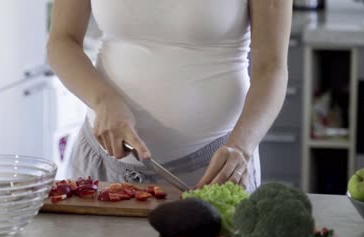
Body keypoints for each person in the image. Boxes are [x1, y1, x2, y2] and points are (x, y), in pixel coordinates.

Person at [47, 0, 292, 193]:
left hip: (212, 172)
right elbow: (62, 40)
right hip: (100, 165)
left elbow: (271, 68)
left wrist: (241, 148)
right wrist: (103, 100)